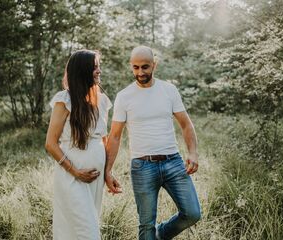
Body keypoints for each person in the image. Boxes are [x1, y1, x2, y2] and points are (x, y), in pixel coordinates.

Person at [105, 46, 201, 240]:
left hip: (172, 161)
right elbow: (114, 136)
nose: (140, 72)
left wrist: (193, 152)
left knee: (192, 213)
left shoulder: (168, 90)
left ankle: (159, 235)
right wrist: (108, 170)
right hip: (142, 166)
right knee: (146, 225)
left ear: (154, 65)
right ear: (131, 67)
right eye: (136, 68)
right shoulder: (124, 96)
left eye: (145, 67)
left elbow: (186, 124)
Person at [45, 49, 111, 240]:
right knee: (88, 233)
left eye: (99, 66)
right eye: (95, 67)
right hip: (71, 178)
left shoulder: (103, 100)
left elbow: (104, 139)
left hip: (95, 179)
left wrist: (108, 172)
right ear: (82, 70)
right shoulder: (64, 100)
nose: (99, 71)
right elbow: (50, 143)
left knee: (79, 230)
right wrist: (75, 172)